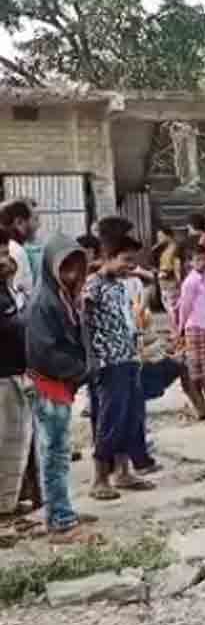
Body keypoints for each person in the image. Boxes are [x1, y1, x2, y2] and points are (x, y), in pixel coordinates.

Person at [25, 234, 95, 541]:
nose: (72, 275)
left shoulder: (63, 297)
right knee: (55, 455)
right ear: (52, 267)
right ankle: (60, 520)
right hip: (49, 385)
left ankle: (62, 510)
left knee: (58, 453)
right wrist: (81, 370)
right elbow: (45, 352)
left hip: (58, 385)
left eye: (77, 269)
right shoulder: (45, 303)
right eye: (66, 268)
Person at [83, 232, 156, 501]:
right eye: (126, 260)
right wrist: (90, 358)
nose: (130, 266)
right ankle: (99, 478)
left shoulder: (120, 285)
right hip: (107, 362)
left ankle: (123, 472)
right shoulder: (93, 286)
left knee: (131, 418)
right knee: (109, 419)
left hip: (128, 358)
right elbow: (82, 322)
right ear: (108, 257)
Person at [0, 228, 32, 522]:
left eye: (5, 253)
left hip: (15, 372)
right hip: (3, 375)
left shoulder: (8, 290)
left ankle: (8, 504)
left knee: (14, 442)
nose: (6, 261)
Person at [176, 241, 205, 416]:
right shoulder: (190, 282)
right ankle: (200, 406)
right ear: (190, 262)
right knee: (195, 368)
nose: (202, 263)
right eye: (197, 260)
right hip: (194, 327)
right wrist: (180, 328)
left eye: (204, 259)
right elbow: (185, 306)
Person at [0, 199, 39, 307]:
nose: (38, 225)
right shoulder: (15, 251)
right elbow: (19, 301)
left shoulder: (17, 249)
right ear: (19, 222)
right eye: (35, 219)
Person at [153, 227, 182, 335]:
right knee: (170, 309)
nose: (159, 239)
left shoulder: (175, 249)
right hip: (164, 282)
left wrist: (179, 281)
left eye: (161, 236)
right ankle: (174, 332)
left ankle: (177, 333)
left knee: (173, 309)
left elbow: (176, 265)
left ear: (168, 236)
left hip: (171, 283)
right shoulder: (164, 249)